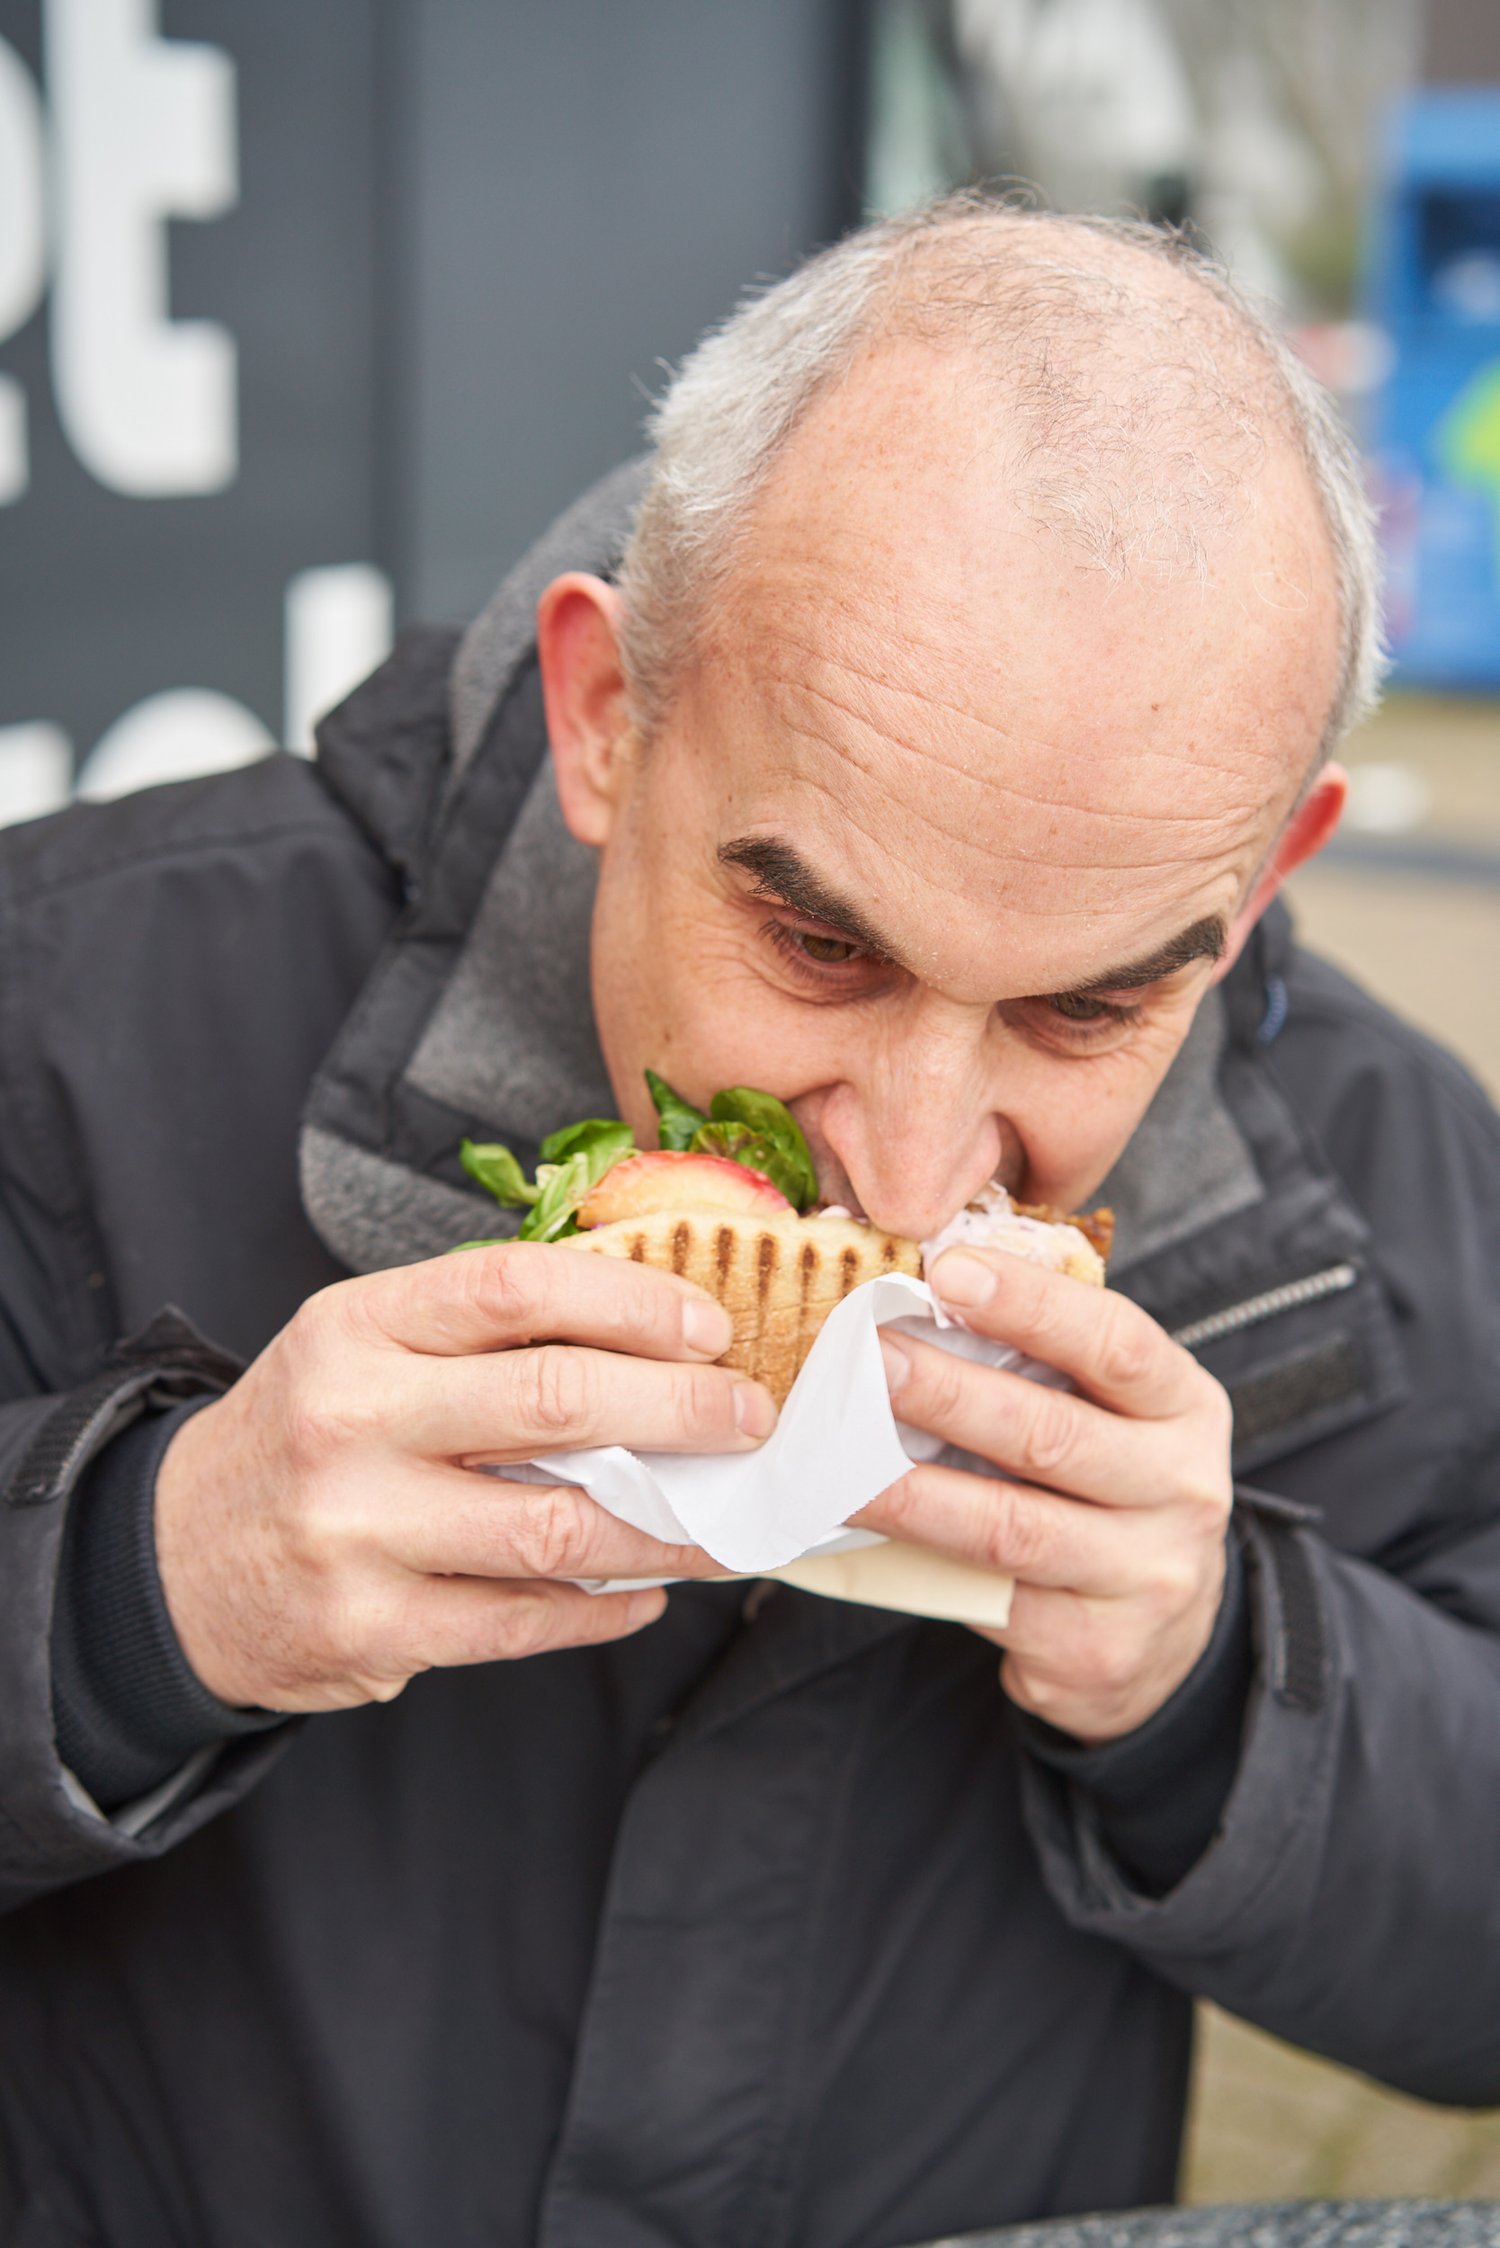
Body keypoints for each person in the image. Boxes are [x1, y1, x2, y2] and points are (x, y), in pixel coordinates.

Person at [2, 196, 1498, 2248]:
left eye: (1089, 1001)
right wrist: (130, 1591)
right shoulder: (63, 1004)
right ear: (610, 710)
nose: (904, 1160)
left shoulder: (1388, 1187)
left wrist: (1222, 1669)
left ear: (1261, 878)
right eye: (815, 937)